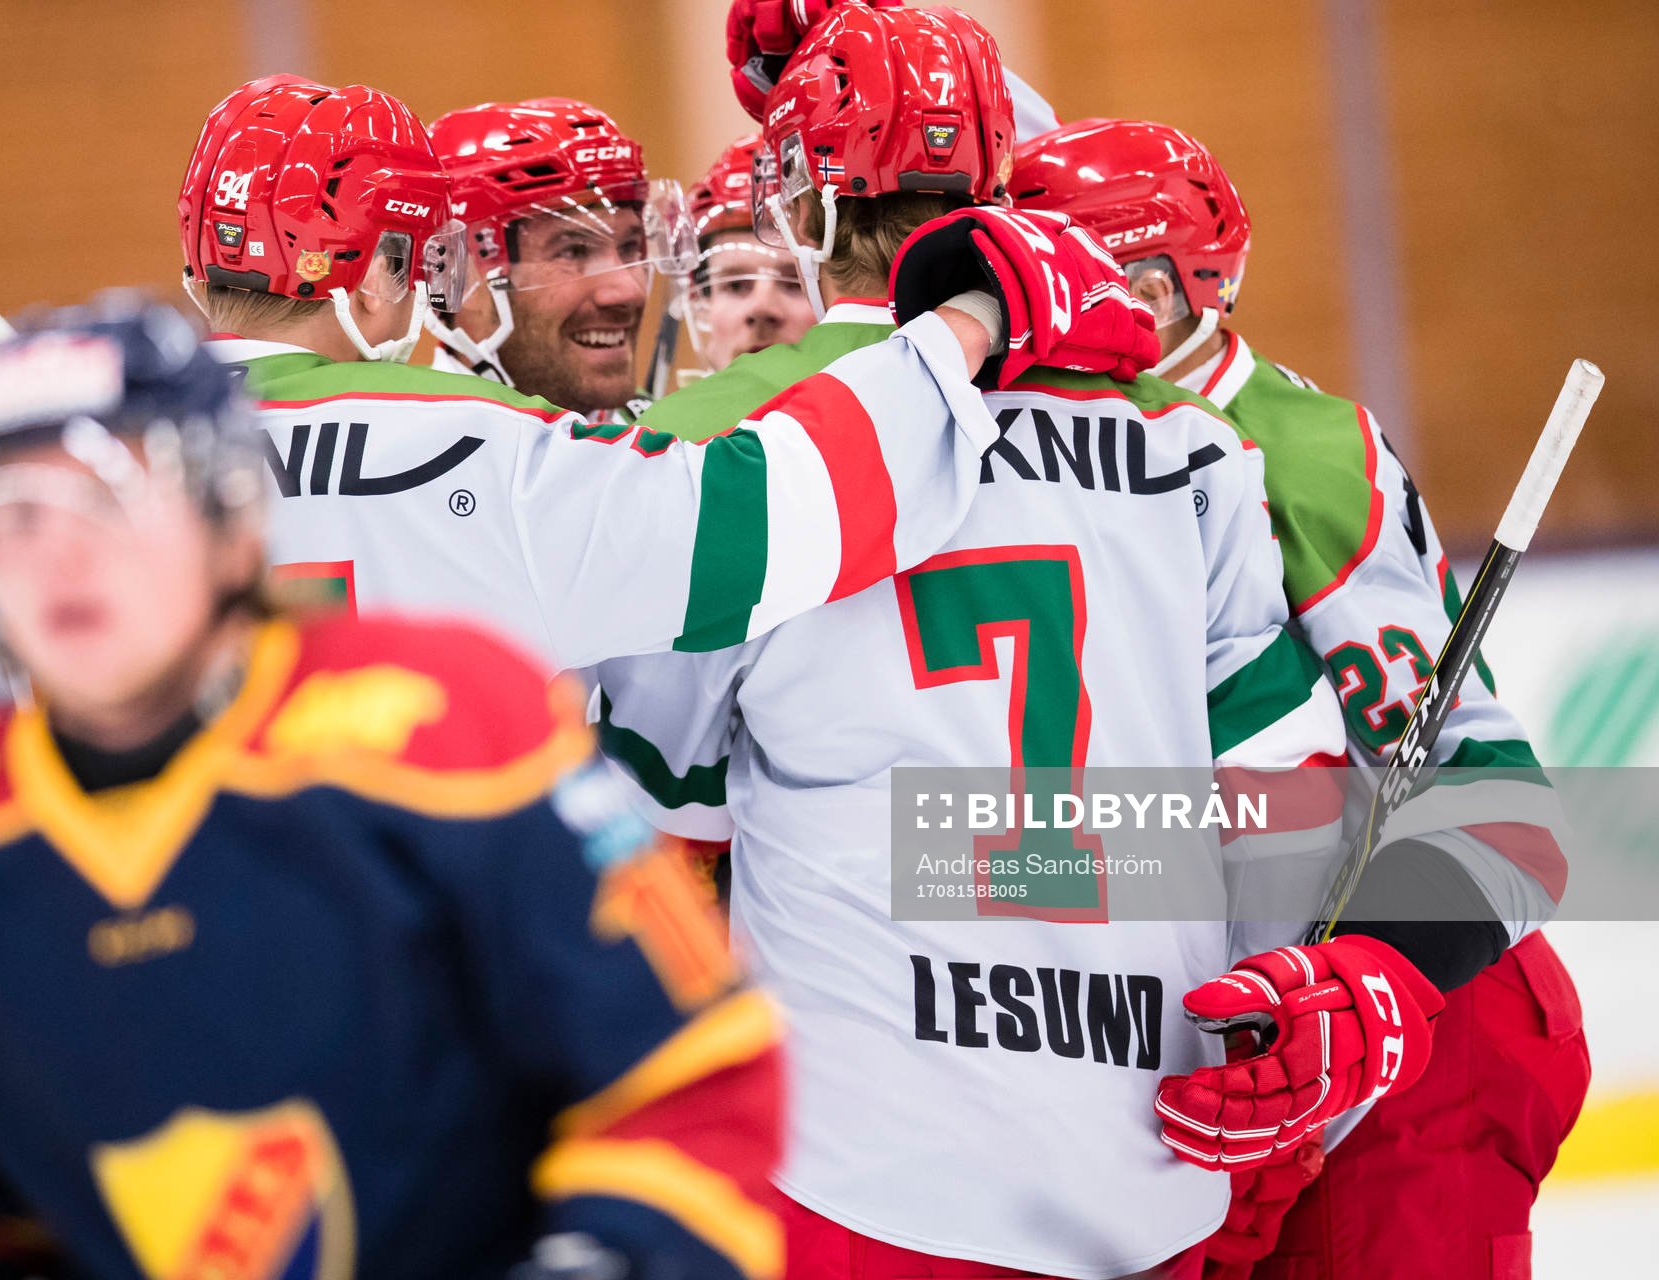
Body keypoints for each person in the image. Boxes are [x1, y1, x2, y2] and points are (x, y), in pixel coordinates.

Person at [589, 8, 1422, 1277]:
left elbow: (663, 821)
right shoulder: (1184, 440)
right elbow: (1287, 805)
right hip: (1155, 1153)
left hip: (863, 1163)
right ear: (994, 188)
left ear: (801, 208)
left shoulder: (729, 434)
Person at [0, 300, 788, 1280]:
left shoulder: (463, 734)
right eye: (18, 513)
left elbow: (694, 1071)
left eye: (113, 498)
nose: (59, 555)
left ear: (232, 526)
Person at [0, 72, 1157, 772]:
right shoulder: (485, 457)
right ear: (383, 274)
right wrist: (968, 320)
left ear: (202, 277)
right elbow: (770, 519)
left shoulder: (20, 495)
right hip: (423, 1060)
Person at [1008, 117, 1590, 1280]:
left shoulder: (1294, 450)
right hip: (1245, 1034)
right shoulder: (1053, 440)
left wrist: (1366, 983)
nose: (1052, 313)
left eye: (1091, 276)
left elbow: (1491, 802)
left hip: (1420, 1025)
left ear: (1177, 288)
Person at [425, 97, 690, 421]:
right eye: (574, 251)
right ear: (454, 276)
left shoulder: (671, 441)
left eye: (629, 246)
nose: (629, 291)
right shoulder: (390, 464)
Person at [679, 133, 816, 376]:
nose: (761, 308)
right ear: (699, 302)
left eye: (796, 283)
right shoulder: (660, 415)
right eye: (735, 285)